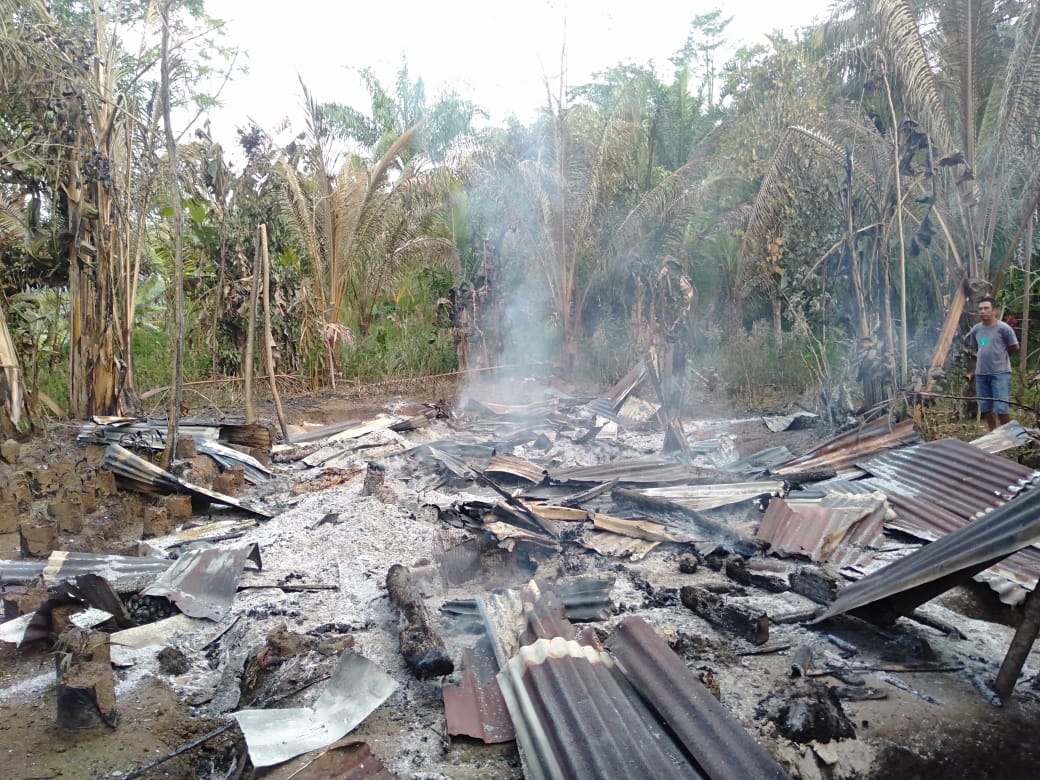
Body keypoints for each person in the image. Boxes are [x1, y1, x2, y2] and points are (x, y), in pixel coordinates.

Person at [965, 295, 1019, 431]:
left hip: (1000, 373)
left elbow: (1014, 347)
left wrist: (1000, 357)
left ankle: (1008, 435)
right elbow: (980, 345)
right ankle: (993, 434)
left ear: (994, 310)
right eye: (980, 309)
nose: (983, 311)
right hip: (981, 374)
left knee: (1001, 408)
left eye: (986, 308)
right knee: (986, 407)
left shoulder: (1004, 329)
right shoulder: (977, 329)